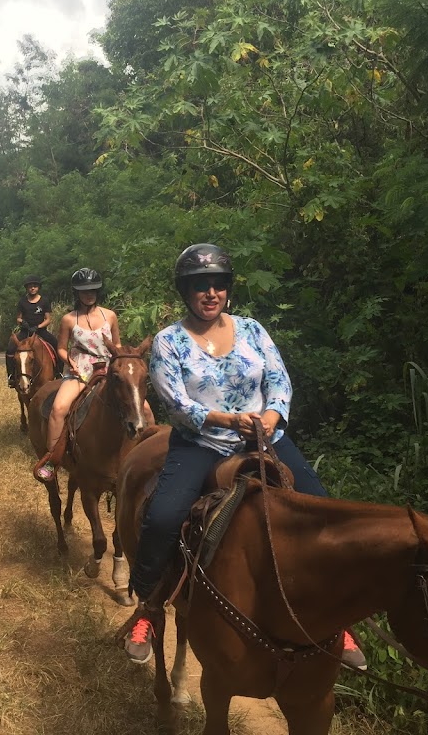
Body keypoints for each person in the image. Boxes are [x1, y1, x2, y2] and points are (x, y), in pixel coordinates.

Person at [123, 243, 367, 671]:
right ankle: (149, 604)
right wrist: (225, 419)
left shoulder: (253, 330)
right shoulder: (168, 341)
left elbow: (279, 379)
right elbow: (175, 404)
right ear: (186, 291)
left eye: (218, 284)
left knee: (323, 510)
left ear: (228, 289)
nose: (211, 292)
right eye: (200, 285)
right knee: (163, 516)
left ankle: (337, 617)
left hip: (262, 438)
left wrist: (273, 415)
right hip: (201, 442)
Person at [33, 268, 119, 482]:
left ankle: (144, 455)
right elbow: (62, 347)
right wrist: (68, 361)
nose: (88, 294)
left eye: (92, 290)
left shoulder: (110, 315)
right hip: (80, 370)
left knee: (143, 408)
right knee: (58, 408)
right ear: (77, 293)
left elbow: (117, 344)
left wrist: (120, 360)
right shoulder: (68, 319)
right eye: (84, 291)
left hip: (108, 368)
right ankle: (52, 460)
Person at [6, 274, 61, 388]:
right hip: (25, 331)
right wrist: (23, 323)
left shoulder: (44, 301)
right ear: (27, 288)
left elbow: (48, 319)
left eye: (35, 286)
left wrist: (39, 326)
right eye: (30, 286)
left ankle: (58, 373)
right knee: (11, 347)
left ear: (38, 287)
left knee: (56, 344)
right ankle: (11, 376)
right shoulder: (22, 302)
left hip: (40, 331)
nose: (32, 288)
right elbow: (18, 318)